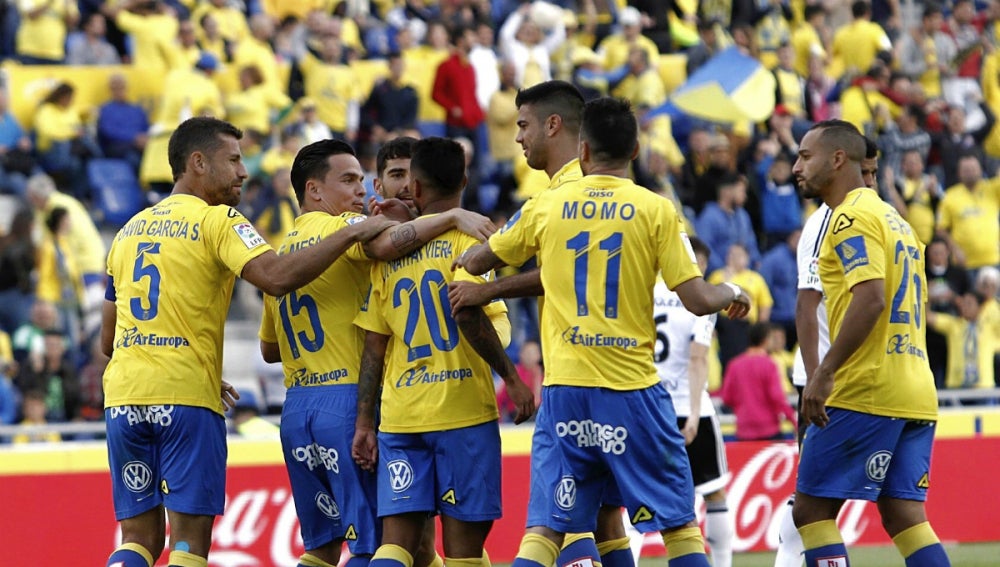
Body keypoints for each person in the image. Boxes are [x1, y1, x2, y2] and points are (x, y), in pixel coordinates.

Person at [455, 97, 751, 567]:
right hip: (632, 388)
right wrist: (733, 290)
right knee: (677, 523)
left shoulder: (546, 206)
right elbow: (697, 298)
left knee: (546, 528)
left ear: (584, 151)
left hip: (566, 389)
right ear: (635, 151)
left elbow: (477, 260)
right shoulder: (657, 210)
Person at [100, 117, 397, 567]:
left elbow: (108, 337)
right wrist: (353, 229)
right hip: (186, 398)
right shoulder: (218, 220)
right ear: (197, 163)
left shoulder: (127, 232)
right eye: (234, 160)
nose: (244, 172)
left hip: (123, 397)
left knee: (139, 539)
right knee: (186, 545)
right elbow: (275, 278)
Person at [259, 138, 496, 567]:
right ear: (314, 191)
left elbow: (269, 347)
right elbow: (388, 246)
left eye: (361, 180)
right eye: (348, 180)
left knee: (326, 549)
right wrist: (453, 215)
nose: (359, 192)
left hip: (297, 412)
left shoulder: (284, 252)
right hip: (348, 402)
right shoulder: (341, 231)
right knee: (376, 546)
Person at [448, 81, 636, 567]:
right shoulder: (614, 190)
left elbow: (484, 261)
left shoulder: (558, 197)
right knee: (608, 517)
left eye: (524, 125)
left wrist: (483, 281)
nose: (517, 138)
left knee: (563, 515)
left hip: (574, 376)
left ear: (555, 125)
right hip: (626, 378)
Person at [351, 137, 535, 567]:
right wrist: (511, 378)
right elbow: (474, 319)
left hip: (401, 417)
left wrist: (365, 420)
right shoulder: (471, 247)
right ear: (466, 181)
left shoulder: (388, 255)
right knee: (464, 554)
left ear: (414, 188)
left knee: (395, 546)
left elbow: (374, 346)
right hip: (463, 414)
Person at [790, 119, 950, 566]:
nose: (797, 166)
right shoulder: (897, 221)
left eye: (805, 156)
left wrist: (823, 372)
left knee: (811, 511)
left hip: (867, 388)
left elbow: (871, 298)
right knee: (904, 516)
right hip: (915, 389)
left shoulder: (849, 216)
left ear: (838, 159)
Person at [774, 134, 881, 567]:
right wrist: (817, 377)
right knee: (812, 502)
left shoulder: (866, 216)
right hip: (827, 380)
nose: (871, 181)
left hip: (860, 378)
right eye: (866, 172)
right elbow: (807, 302)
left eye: (875, 172)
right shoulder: (825, 223)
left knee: (826, 503)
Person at [645, 236, 733, 567]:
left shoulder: (645, 291)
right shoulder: (702, 300)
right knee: (713, 493)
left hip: (649, 407)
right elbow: (698, 359)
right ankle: (723, 563)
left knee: (638, 499)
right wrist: (695, 415)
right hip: (688, 407)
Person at [721, 323, 798, 441]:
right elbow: (777, 397)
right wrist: (793, 420)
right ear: (765, 340)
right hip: (769, 429)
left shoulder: (734, 365)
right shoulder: (769, 364)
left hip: (744, 430)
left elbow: (727, 397)